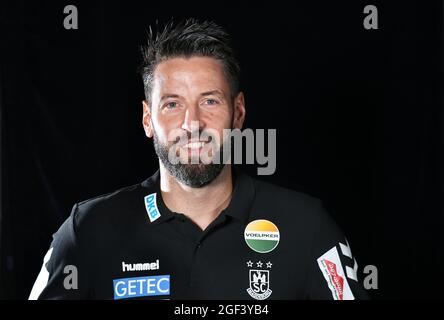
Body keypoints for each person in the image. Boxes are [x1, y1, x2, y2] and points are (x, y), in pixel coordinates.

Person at [29, 19, 368, 300]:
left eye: (209, 101)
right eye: (172, 104)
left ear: (238, 113)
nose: (192, 124)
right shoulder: (88, 230)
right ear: (148, 119)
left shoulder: (307, 227)